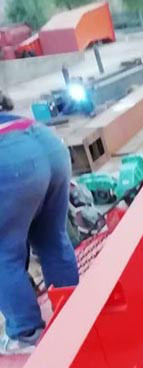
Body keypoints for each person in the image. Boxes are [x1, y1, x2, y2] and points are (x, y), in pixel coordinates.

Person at [0, 112, 80, 354]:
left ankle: (26, 334)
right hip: (48, 143)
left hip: (11, 159)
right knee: (52, 238)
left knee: (4, 254)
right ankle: (73, 311)